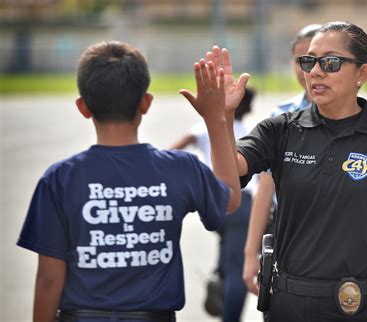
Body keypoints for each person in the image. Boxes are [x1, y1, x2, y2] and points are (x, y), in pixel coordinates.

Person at [199, 21, 367, 321]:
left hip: (364, 309)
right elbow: (228, 177)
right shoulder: (281, 130)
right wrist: (221, 120)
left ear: (362, 74)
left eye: (331, 62)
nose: (315, 71)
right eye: (309, 61)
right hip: (290, 307)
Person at [16, 40, 242, 322]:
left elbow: (49, 279)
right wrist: (217, 119)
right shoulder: (179, 169)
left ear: (83, 107)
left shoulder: (59, 179)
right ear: (146, 103)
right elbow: (231, 197)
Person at [242, 24, 320, 296]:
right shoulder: (281, 117)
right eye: (300, 60)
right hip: (285, 228)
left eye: (315, 59)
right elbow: (265, 189)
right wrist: (251, 253)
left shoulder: (360, 120)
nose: (307, 69)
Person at [169, 88, 256, 322]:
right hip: (242, 204)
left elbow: (177, 146)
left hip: (215, 202)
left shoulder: (205, 129)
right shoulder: (248, 133)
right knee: (238, 268)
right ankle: (230, 315)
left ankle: (219, 279)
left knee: (228, 258)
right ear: (247, 108)